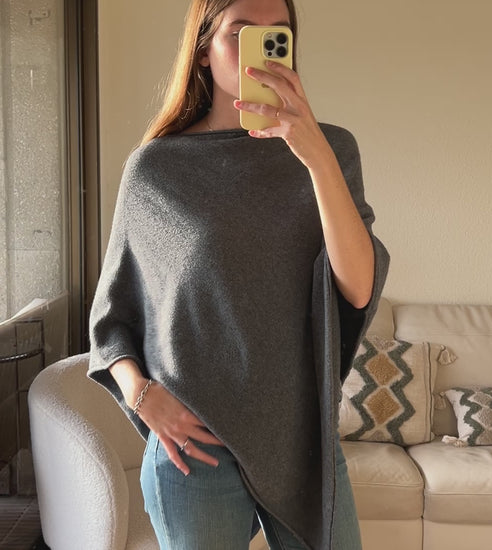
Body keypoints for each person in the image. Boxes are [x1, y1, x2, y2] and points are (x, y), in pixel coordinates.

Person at [88, 0, 389, 548]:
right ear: (203, 49)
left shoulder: (332, 150)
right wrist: (141, 395)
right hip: (194, 447)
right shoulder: (156, 168)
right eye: (242, 33)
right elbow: (112, 317)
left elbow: (358, 287)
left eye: (278, 35)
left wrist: (316, 156)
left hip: (303, 441)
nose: (262, 52)